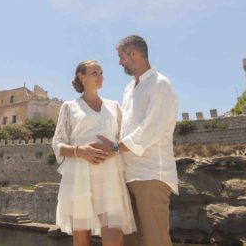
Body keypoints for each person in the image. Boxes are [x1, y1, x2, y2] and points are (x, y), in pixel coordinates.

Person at [93, 35, 179, 246]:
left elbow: (151, 130)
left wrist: (113, 148)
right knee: (131, 240)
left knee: (155, 240)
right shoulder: (129, 89)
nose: (120, 62)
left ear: (134, 54)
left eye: (121, 57)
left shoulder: (160, 85)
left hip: (151, 175)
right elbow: (125, 127)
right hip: (128, 174)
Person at [52, 60, 136, 246]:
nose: (100, 76)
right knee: (81, 236)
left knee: (114, 230)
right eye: (95, 72)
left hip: (110, 172)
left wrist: (114, 149)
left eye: (101, 72)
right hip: (79, 173)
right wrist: (80, 151)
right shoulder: (69, 107)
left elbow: (124, 138)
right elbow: (57, 144)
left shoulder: (114, 106)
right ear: (81, 77)